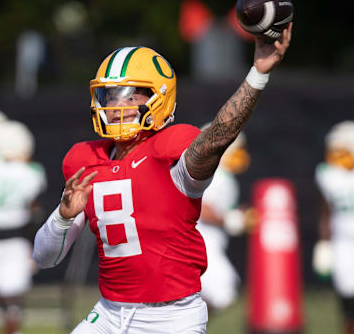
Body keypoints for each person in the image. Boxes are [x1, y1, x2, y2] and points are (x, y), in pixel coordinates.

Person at [33, 23, 292, 334]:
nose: (116, 106)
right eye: (109, 96)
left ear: (159, 100)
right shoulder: (86, 161)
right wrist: (63, 216)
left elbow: (219, 135)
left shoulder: (171, 156)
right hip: (109, 313)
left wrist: (258, 74)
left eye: (129, 97)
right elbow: (44, 257)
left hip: (171, 319)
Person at [0, 120, 47, 334]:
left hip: (5, 236)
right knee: (12, 296)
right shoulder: (31, 171)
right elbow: (34, 210)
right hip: (16, 239)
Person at [196, 130, 250, 313]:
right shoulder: (216, 175)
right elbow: (202, 208)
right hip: (203, 242)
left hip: (210, 242)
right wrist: (229, 219)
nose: (241, 155)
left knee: (222, 293)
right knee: (224, 292)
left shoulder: (224, 176)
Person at [313, 120, 354, 334]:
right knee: (347, 296)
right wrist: (324, 242)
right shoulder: (328, 175)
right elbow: (326, 211)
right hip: (343, 241)